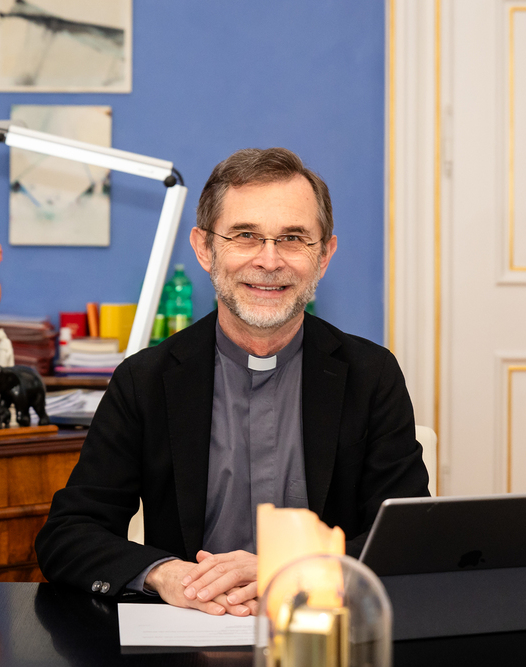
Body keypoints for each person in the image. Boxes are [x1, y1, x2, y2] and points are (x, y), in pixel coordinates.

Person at [36, 147, 429, 618]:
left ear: (324, 255)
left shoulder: (371, 375)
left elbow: (408, 537)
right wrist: (165, 574)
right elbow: (69, 534)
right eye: (246, 235)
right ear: (205, 249)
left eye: (293, 238)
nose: (269, 260)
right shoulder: (145, 380)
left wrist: (293, 570)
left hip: (321, 629)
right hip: (190, 626)